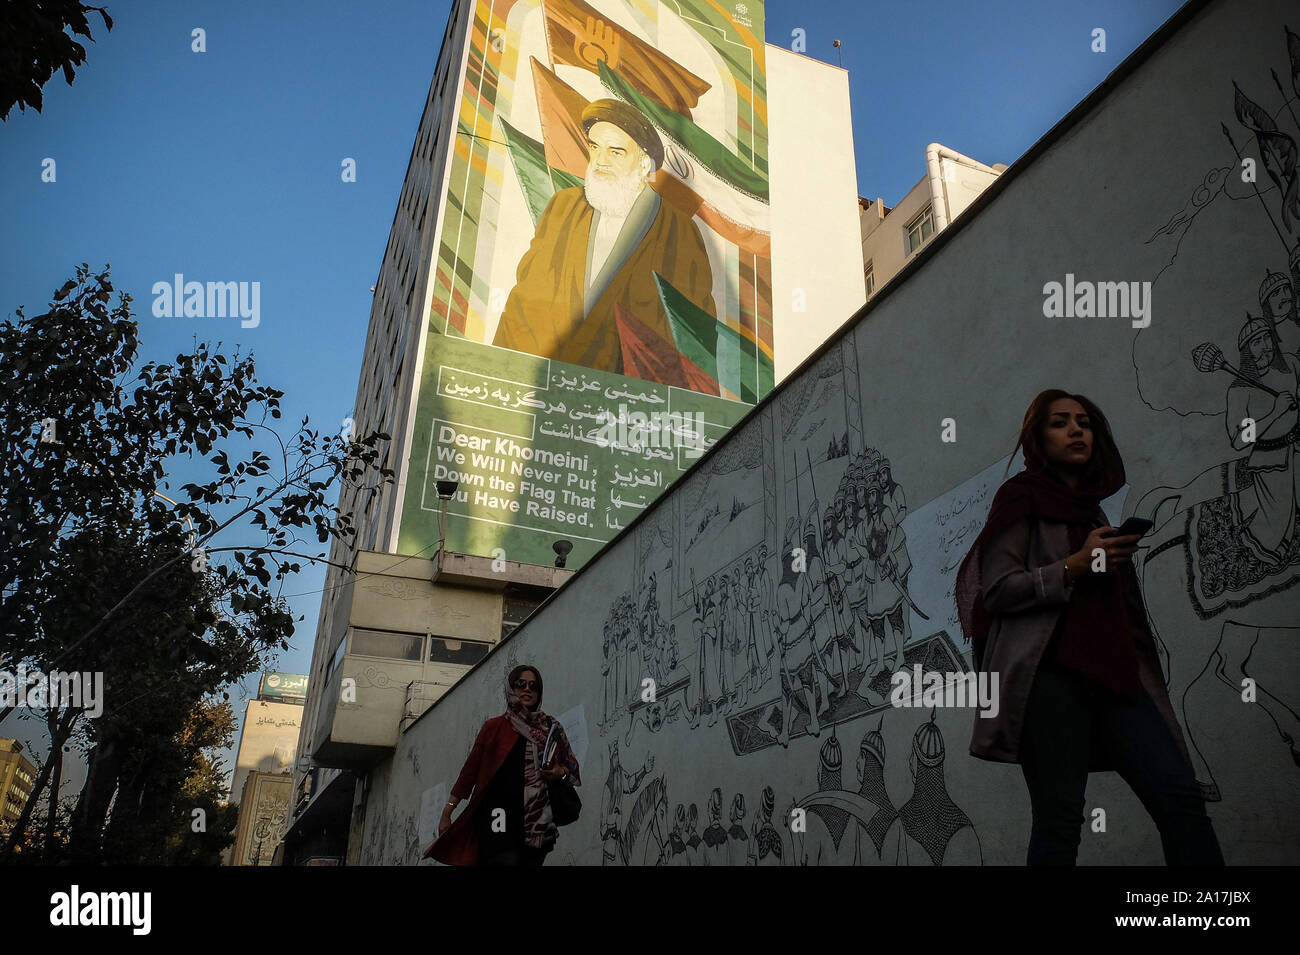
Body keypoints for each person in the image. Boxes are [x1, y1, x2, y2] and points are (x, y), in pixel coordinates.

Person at [956, 389, 1224, 866]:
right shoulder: (1021, 497)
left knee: (1181, 798)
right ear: (1038, 438)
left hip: (1115, 676)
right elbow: (996, 590)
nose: (1077, 430)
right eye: (1060, 422)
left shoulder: (1092, 510)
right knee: (1060, 820)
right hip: (1049, 679)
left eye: (1084, 422)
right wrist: (1076, 566)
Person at [491, 98, 716, 374]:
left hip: (631, 400)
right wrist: (503, 371)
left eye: (616, 152)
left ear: (645, 163)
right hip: (548, 385)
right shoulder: (564, 207)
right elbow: (524, 302)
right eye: (595, 147)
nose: (600, 162)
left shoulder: (679, 232)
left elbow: (696, 339)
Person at [423, 665, 580, 866]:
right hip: (498, 816)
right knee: (505, 860)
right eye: (520, 684)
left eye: (534, 686)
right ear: (511, 689)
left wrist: (560, 773)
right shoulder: (495, 727)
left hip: (536, 820)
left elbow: (571, 769)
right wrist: (447, 812)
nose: (527, 690)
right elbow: (468, 774)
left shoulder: (552, 729)